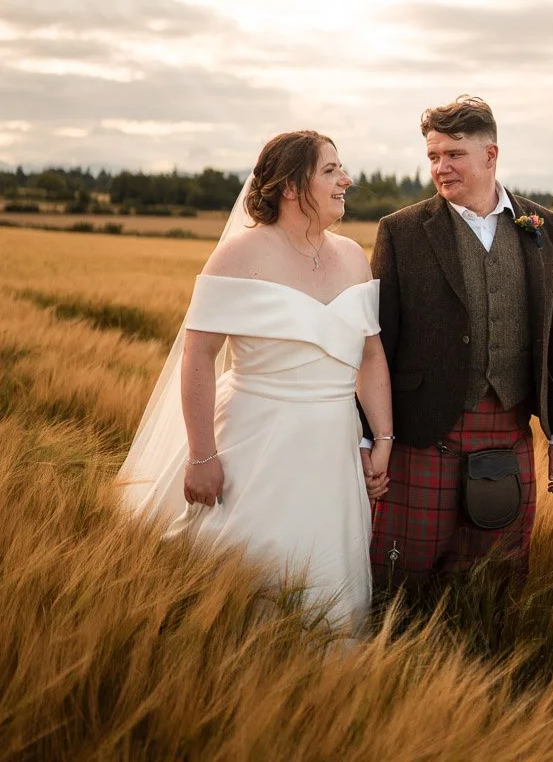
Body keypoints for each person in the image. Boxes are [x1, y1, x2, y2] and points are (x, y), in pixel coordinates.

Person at [118, 130, 393, 634]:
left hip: (332, 454)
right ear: (291, 187)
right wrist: (201, 455)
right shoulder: (240, 255)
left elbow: (371, 356)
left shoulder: (354, 256)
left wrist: (383, 440)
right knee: (235, 581)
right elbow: (199, 354)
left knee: (325, 589)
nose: (345, 180)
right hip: (254, 445)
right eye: (330, 170)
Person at [363, 96, 553, 589]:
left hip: (507, 427)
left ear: (490, 154)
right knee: (403, 575)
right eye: (433, 156)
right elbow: (375, 344)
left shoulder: (544, 227)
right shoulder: (400, 231)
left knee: (495, 576)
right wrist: (368, 437)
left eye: (454, 154)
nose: (441, 167)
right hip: (421, 429)